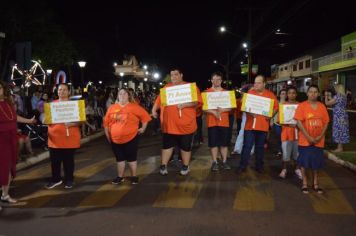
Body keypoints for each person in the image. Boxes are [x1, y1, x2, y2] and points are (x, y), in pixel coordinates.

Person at [152, 68, 202, 176]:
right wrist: (153, 109)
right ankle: (163, 165)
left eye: (176, 74)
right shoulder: (167, 87)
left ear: (181, 75)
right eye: (172, 75)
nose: (173, 77)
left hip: (186, 125)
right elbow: (158, 100)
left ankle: (185, 166)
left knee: (185, 147)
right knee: (167, 146)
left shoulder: (190, 87)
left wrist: (184, 105)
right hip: (169, 125)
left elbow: (196, 102)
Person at [0, 80, 36, 210]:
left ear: (3, 89)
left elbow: (14, 117)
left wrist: (29, 121)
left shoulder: (8, 102)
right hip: (1, 140)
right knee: (2, 169)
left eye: (0, 88)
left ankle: (5, 194)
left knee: (9, 167)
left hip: (11, 138)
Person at [104, 88, 151, 185]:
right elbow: (106, 123)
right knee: (119, 159)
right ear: (117, 96)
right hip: (115, 140)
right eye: (120, 94)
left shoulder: (134, 107)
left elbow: (145, 118)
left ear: (128, 95)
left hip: (131, 138)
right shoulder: (112, 108)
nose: (122, 95)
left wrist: (143, 128)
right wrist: (108, 136)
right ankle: (120, 177)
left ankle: (134, 176)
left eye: (124, 94)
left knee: (131, 158)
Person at [237, 75, 278, 173]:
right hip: (250, 126)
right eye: (255, 82)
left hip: (263, 126)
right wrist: (250, 112)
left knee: (260, 148)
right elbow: (244, 107)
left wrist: (271, 115)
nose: (256, 84)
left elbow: (276, 107)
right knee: (247, 146)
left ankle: (259, 166)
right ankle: (242, 166)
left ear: (264, 84)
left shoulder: (270, 95)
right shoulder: (250, 93)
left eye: (258, 83)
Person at [45, 83, 82, 189]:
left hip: (69, 138)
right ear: (57, 92)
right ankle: (56, 179)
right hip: (54, 139)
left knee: (68, 161)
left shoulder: (75, 104)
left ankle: (69, 179)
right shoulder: (51, 104)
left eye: (64, 90)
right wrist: (45, 120)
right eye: (60, 90)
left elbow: (82, 120)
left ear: (69, 92)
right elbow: (47, 120)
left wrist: (72, 124)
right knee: (55, 162)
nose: (62, 92)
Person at [294, 85, 329, 194]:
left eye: (315, 92)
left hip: (319, 141)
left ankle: (315, 183)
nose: (313, 94)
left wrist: (320, 136)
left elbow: (326, 122)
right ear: (307, 93)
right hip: (305, 140)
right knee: (304, 163)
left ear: (318, 94)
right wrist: (308, 137)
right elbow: (299, 122)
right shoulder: (302, 106)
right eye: (311, 91)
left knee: (316, 163)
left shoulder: (322, 106)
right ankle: (304, 183)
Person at [204, 72, 231, 171]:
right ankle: (214, 162)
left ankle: (224, 161)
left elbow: (231, 108)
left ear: (221, 80)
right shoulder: (207, 93)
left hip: (224, 122)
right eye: (214, 79)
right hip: (212, 122)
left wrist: (223, 110)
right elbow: (204, 108)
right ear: (211, 80)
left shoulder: (227, 92)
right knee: (213, 143)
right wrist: (213, 112)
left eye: (218, 79)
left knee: (224, 144)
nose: (216, 81)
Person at [278, 87, 302, 179]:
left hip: (298, 134)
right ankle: (284, 169)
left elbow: (303, 119)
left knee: (298, 154)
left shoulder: (300, 105)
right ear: (287, 94)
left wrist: (297, 125)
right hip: (286, 134)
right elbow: (280, 120)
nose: (292, 95)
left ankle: (297, 169)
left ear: (296, 94)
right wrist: (289, 125)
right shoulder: (283, 105)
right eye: (290, 93)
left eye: (293, 93)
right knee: (285, 154)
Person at [325, 84, 350, 152]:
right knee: (342, 130)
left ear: (338, 89)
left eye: (335, 88)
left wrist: (326, 96)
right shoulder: (344, 96)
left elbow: (327, 103)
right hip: (344, 115)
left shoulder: (337, 96)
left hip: (338, 116)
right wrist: (330, 97)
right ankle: (340, 147)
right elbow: (334, 101)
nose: (334, 89)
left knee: (338, 130)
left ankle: (339, 148)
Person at [272, 89, 287, 157]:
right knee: (279, 137)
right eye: (282, 93)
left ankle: (284, 150)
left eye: (285, 94)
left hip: (286, 125)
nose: (283, 95)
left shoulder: (288, 104)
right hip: (277, 124)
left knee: (285, 138)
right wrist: (271, 121)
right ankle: (279, 150)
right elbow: (273, 113)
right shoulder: (277, 104)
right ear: (280, 95)